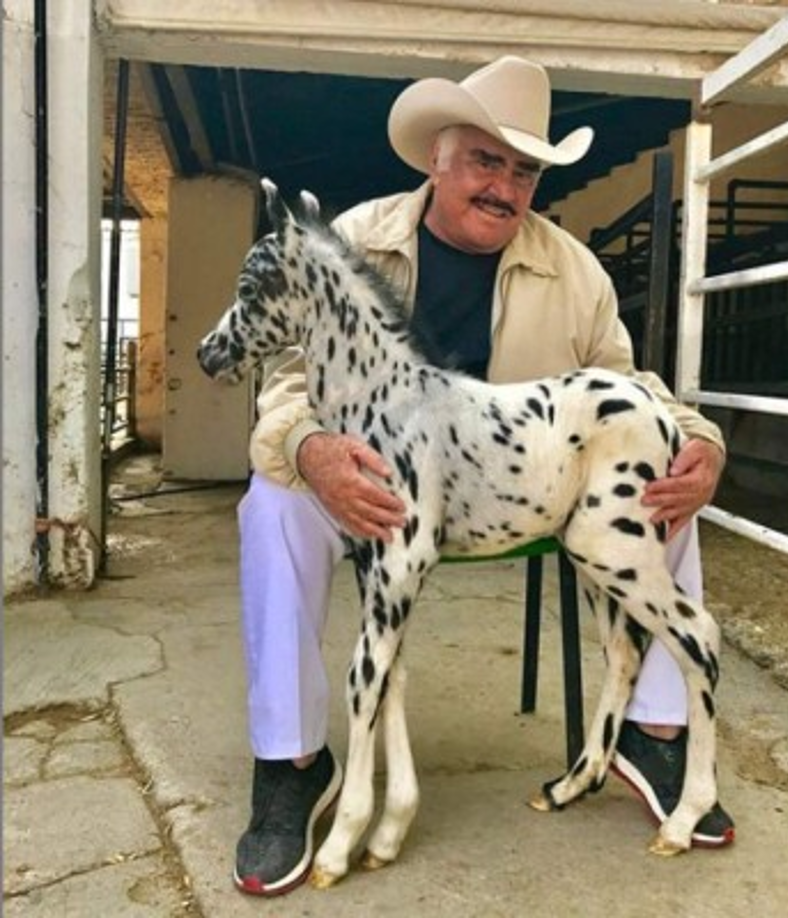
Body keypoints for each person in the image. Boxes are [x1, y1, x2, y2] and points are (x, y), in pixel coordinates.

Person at [234, 55, 735, 897]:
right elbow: (286, 380)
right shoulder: (356, 241)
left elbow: (628, 386)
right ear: (437, 156)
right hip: (370, 479)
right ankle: (292, 759)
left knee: (662, 491)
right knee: (274, 503)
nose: (504, 187)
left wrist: (702, 445)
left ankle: (653, 730)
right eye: (485, 161)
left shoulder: (573, 270)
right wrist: (312, 451)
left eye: (524, 170)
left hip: (510, 483)